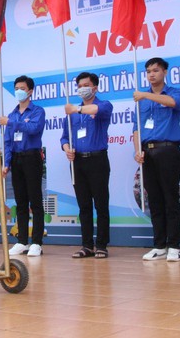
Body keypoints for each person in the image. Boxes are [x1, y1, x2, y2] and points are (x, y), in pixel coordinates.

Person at [132, 58, 180, 262]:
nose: (151, 74)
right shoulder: (141, 101)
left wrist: (145, 94)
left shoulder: (174, 92)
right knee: (154, 199)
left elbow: (173, 103)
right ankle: (159, 245)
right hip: (147, 152)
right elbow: (136, 128)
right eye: (148, 71)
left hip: (168, 150)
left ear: (164, 72)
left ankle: (174, 245)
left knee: (170, 198)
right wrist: (137, 150)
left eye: (155, 70)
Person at [61, 72, 113, 259]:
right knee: (83, 206)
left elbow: (96, 111)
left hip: (97, 160)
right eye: (79, 85)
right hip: (77, 162)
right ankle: (87, 245)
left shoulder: (103, 105)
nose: (82, 88)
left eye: (86, 85)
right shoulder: (72, 115)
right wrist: (67, 149)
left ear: (95, 87)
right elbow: (64, 137)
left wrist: (76, 109)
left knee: (101, 204)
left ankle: (101, 245)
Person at [0, 76, 46, 257]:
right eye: (16, 88)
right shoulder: (12, 114)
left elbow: (34, 129)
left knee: (35, 201)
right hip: (17, 160)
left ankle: (37, 242)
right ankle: (21, 241)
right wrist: (7, 163)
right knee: (20, 202)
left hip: (32, 157)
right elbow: (8, 141)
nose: (18, 91)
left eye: (22, 88)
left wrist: (12, 123)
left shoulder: (37, 111)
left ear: (30, 91)